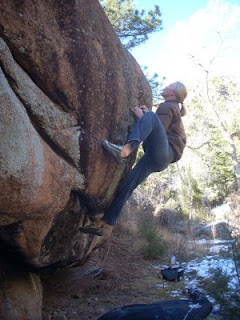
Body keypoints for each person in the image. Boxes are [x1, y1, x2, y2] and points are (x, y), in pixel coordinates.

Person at [80, 82, 187, 239]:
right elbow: (158, 127)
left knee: (149, 116)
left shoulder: (168, 106)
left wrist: (143, 117)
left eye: (168, 86)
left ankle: (126, 150)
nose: (165, 87)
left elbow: (158, 128)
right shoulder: (172, 107)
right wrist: (147, 117)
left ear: (173, 93)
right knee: (128, 184)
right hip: (158, 158)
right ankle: (106, 224)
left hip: (164, 152)